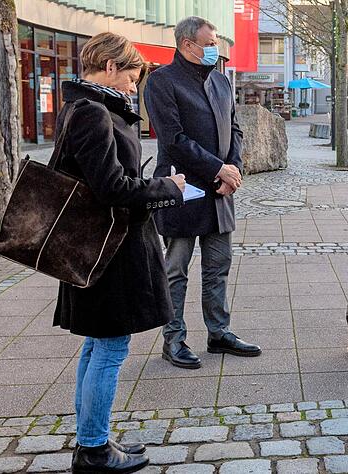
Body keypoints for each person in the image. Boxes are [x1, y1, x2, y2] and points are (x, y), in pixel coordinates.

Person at [52, 32, 186, 472]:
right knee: (109, 348)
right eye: (132, 76)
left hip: (101, 247)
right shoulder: (91, 112)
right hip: (109, 252)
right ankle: (93, 449)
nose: (134, 86)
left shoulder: (85, 106)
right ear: (110, 67)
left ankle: (93, 439)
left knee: (98, 345)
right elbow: (111, 188)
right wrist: (169, 187)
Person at [145, 16, 260, 369]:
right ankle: (173, 339)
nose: (215, 49)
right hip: (182, 190)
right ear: (187, 45)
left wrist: (233, 169)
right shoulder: (162, 82)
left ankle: (219, 332)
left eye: (216, 43)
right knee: (176, 270)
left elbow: (235, 130)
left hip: (221, 192)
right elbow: (174, 139)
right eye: (210, 43)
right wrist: (217, 169)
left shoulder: (222, 82)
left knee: (218, 267)